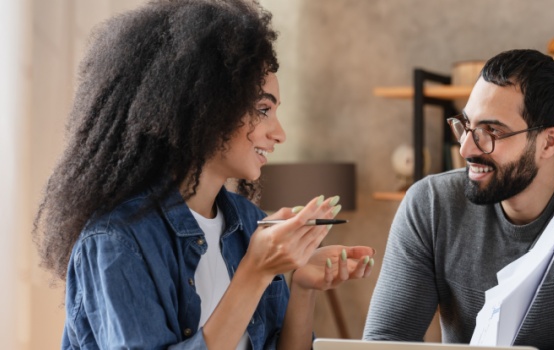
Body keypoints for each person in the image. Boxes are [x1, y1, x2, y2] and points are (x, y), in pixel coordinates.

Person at [33, 1, 375, 349]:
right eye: (263, 109)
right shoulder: (116, 241)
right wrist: (254, 272)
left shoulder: (250, 224)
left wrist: (302, 286)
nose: (279, 133)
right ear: (205, 107)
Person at [363, 49, 554, 349]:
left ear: (548, 142)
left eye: (491, 131)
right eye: (466, 126)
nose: (466, 149)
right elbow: (385, 342)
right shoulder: (430, 205)